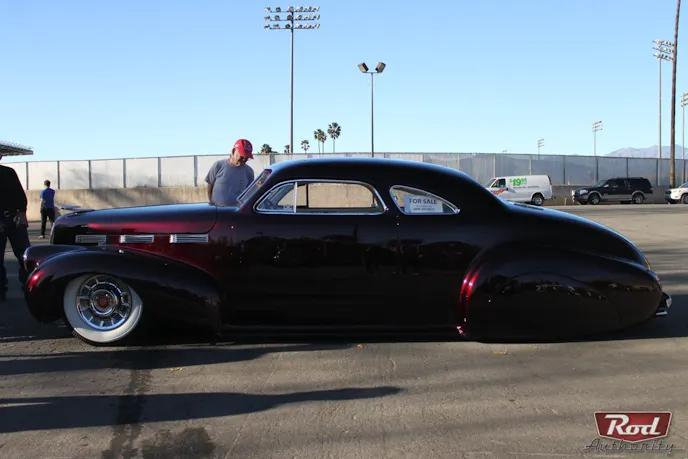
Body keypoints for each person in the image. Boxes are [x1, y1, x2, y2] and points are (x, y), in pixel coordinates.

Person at [0, 155, 31, 301]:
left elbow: (20, 195)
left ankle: (30, 286)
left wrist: (22, 212)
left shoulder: (8, 172)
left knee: (25, 255)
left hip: (14, 218)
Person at [205, 139, 255, 206]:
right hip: (217, 210)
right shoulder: (218, 165)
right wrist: (211, 202)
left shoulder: (249, 172)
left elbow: (249, 193)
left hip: (238, 211)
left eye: (247, 158)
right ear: (233, 151)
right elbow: (210, 185)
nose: (244, 159)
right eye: (242, 156)